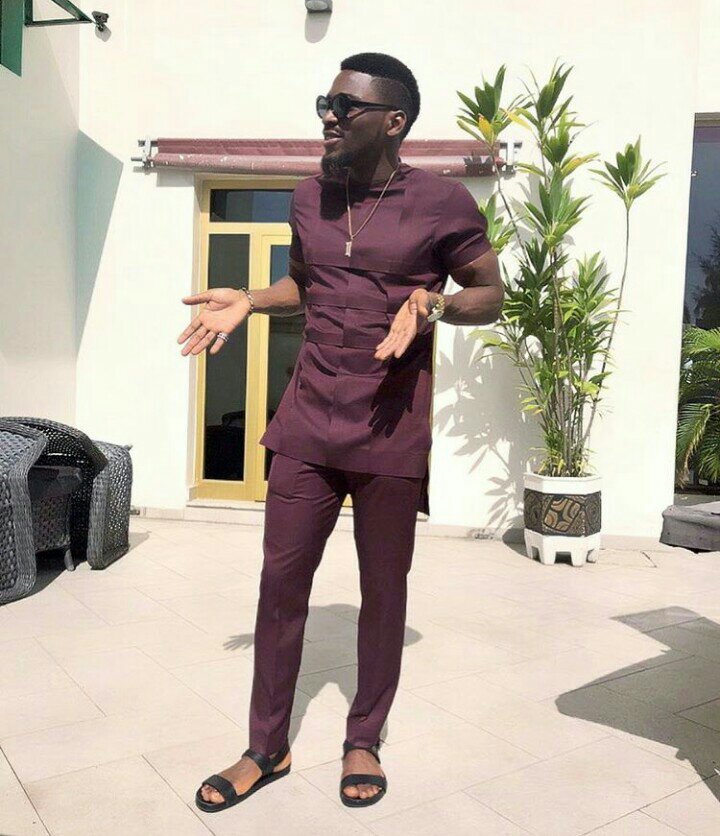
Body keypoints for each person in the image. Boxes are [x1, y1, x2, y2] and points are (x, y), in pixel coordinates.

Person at [178, 52, 503, 812]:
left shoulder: (442, 201)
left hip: (391, 426)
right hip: (306, 421)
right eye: (324, 103)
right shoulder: (308, 196)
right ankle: (267, 747)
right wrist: (252, 299)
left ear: (394, 121)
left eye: (345, 106)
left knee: (382, 592)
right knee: (279, 586)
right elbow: (305, 283)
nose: (329, 116)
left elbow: (490, 292)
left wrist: (434, 305)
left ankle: (365, 737)